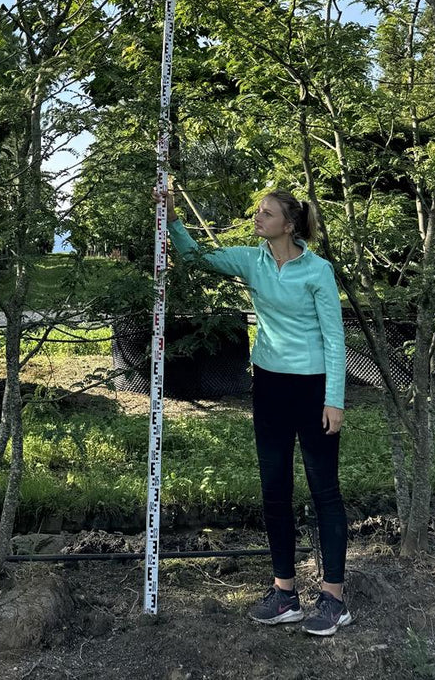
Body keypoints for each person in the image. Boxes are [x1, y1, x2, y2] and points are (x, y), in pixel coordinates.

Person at [158, 185, 351, 636]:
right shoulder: (252, 260)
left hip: (314, 388)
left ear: (289, 224)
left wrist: (335, 399)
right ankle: (285, 593)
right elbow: (198, 258)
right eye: (257, 211)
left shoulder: (317, 271)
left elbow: (336, 338)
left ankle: (334, 598)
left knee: (325, 492)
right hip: (268, 386)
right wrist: (171, 218)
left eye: (265, 213)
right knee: (274, 488)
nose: (257, 219)